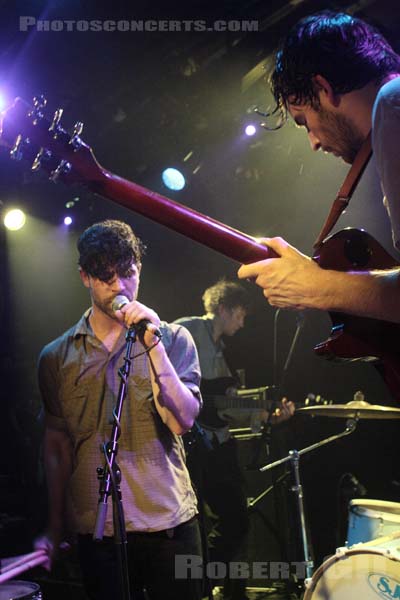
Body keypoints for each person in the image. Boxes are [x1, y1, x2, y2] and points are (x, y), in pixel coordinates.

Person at [36, 220, 203, 600]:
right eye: (105, 276)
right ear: (85, 277)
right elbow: (57, 446)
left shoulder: (175, 338)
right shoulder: (56, 357)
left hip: (169, 526)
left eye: (127, 273)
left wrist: (153, 344)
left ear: (138, 269)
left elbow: (183, 420)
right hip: (97, 533)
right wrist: (55, 522)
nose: (119, 287)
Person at [238, 11, 400, 324]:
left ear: (323, 88)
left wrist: (315, 286)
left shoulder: (392, 103)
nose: (313, 142)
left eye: (304, 122)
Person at [175, 279, 294, 600]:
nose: (242, 323)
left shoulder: (221, 352)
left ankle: (203, 578)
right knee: (199, 521)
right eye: (240, 315)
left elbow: (223, 407)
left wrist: (268, 414)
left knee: (237, 519)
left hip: (217, 445)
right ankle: (196, 584)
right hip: (191, 446)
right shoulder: (185, 330)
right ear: (224, 308)